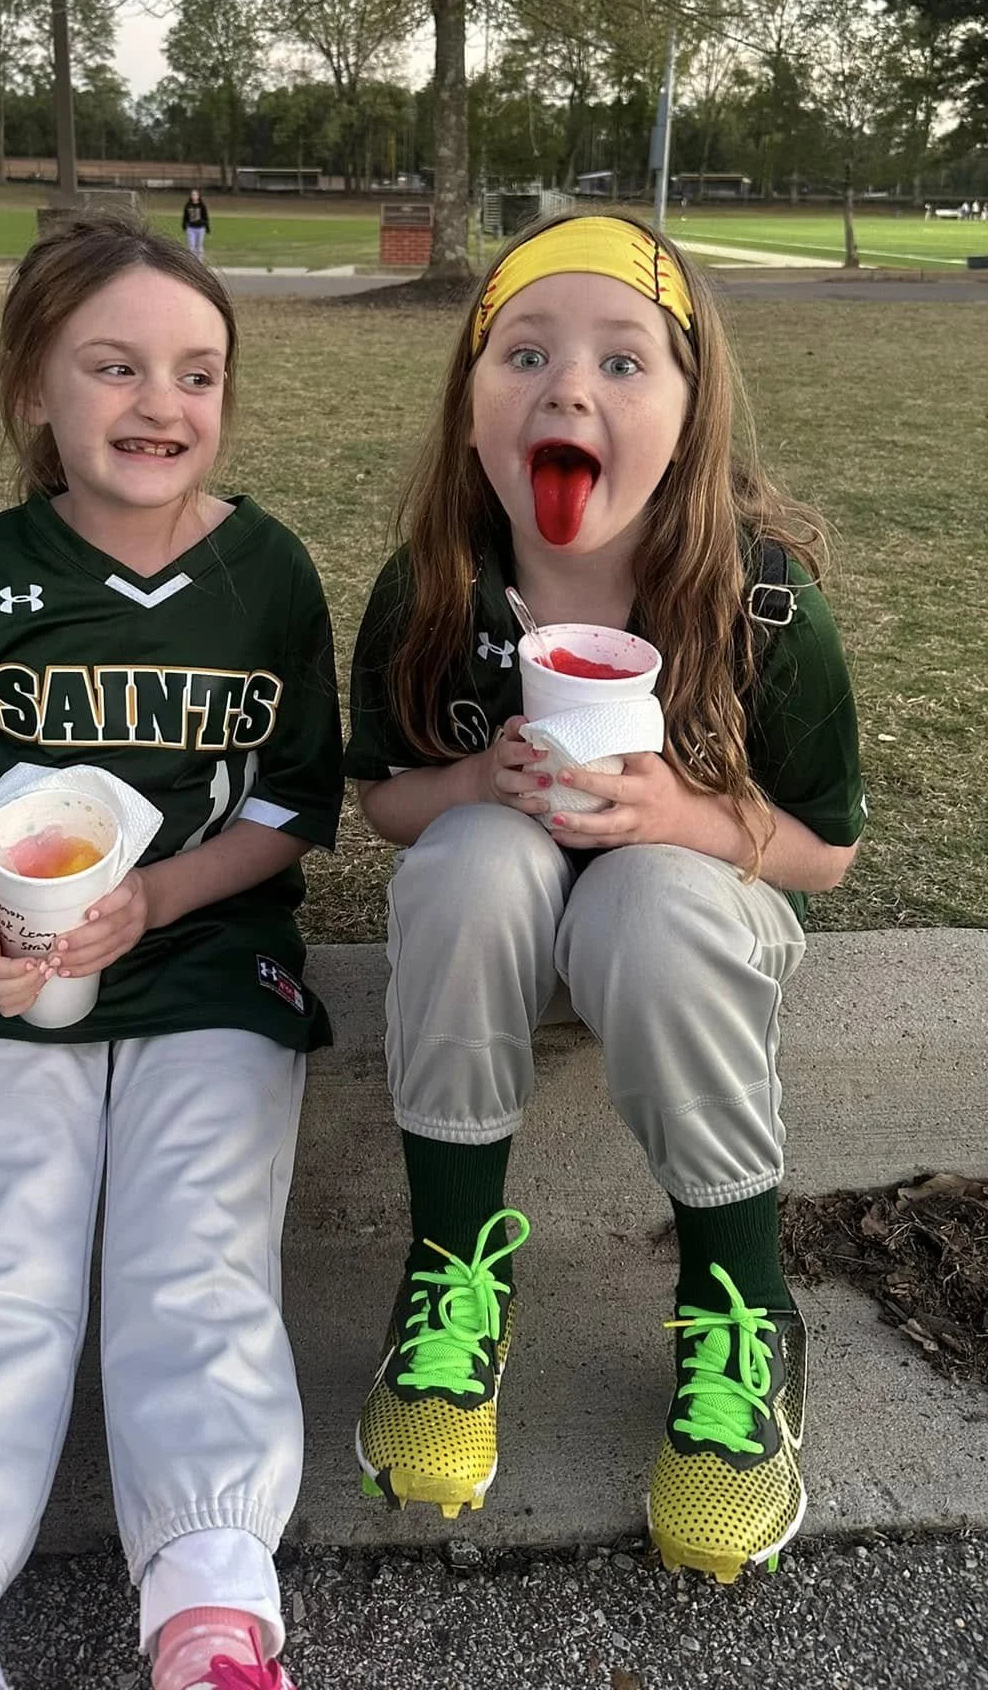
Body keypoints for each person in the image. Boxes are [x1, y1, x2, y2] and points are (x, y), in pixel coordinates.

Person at [0, 216, 342, 1690]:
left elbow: (294, 810)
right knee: (0, 1252)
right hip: (5, 971)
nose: (159, 404)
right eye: (114, 367)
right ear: (36, 389)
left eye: (197, 372)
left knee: (195, 1254)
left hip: (212, 964)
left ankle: (211, 1599)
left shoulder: (268, 573)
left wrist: (158, 902)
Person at [345, 209, 865, 1584]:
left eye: (625, 363)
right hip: (507, 939)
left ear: (691, 419)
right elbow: (384, 798)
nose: (570, 386)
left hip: (686, 939)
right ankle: (456, 1282)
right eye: (525, 352)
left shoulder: (760, 607)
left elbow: (825, 850)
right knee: (470, 856)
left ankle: (740, 1305)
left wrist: (683, 817)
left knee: (646, 891)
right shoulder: (432, 594)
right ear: (471, 410)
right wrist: (469, 788)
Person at [181, 187, 211, 259]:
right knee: (191, 246)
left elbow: (205, 217)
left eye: (195, 195)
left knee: (199, 246)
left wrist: (207, 228)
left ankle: (199, 262)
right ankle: (192, 262)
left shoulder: (202, 205)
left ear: (198, 196)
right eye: (193, 195)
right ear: (191, 196)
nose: (194, 196)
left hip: (200, 228)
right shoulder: (188, 205)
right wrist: (184, 226)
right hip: (191, 228)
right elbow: (185, 217)